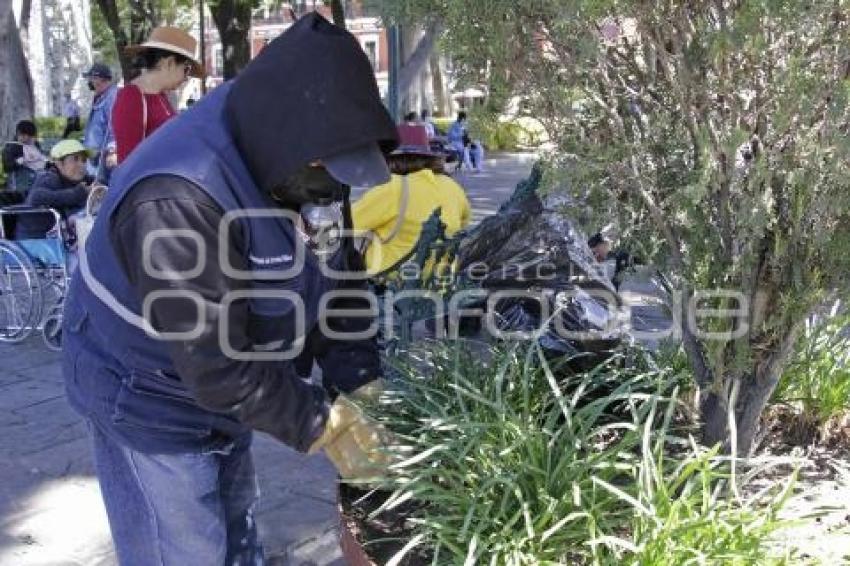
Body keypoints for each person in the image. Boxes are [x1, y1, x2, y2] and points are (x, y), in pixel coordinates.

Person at [63, 14, 397, 564]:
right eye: (324, 174)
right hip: (144, 389)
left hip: (227, 381)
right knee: (185, 547)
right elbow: (216, 366)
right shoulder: (177, 197)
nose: (331, 191)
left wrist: (360, 381)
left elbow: (340, 280)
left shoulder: (308, 145)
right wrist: (324, 422)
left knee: (234, 527)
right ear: (288, 147)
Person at [352, 123, 472, 274]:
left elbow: (347, 225)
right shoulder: (452, 187)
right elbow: (463, 223)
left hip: (392, 286)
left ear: (390, 159)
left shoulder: (392, 188)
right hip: (442, 284)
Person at [112, 27, 204, 164]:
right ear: (169, 63)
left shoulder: (161, 96)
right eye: (186, 69)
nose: (186, 78)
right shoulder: (131, 97)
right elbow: (128, 162)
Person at [16, 139, 93, 241]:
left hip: (61, 238)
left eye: (84, 160)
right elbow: (37, 197)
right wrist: (76, 194)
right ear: (59, 163)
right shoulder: (48, 177)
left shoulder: (80, 179)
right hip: (36, 242)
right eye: (75, 159)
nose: (81, 165)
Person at [82, 62, 118, 183]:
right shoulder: (101, 97)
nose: (90, 83)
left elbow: (114, 126)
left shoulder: (112, 97)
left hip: (104, 158)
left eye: (92, 79)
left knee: (104, 190)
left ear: (100, 79)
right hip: (96, 158)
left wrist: (112, 150)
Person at [2, 120, 48, 189]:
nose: (26, 138)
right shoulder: (11, 147)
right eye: (23, 135)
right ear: (18, 134)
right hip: (21, 181)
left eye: (30, 136)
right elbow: (7, 167)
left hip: (39, 177)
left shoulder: (35, 144)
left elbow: (41, 157)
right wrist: (20, 160)